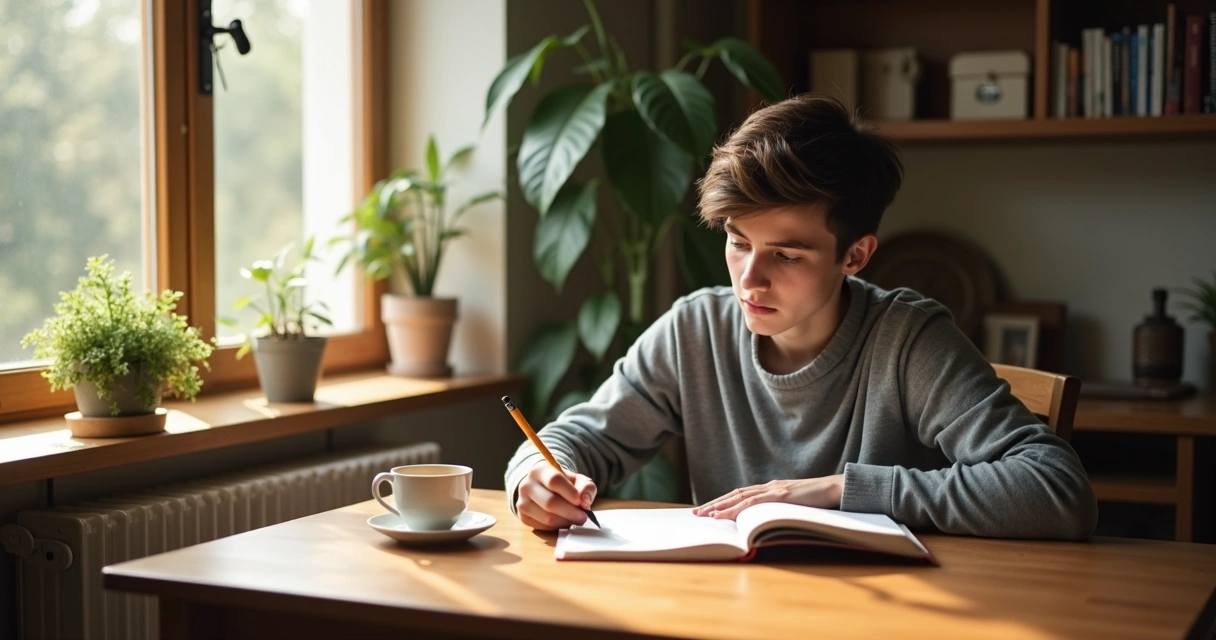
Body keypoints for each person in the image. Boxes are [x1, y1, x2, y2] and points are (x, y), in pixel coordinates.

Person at [503, 93, 1098, 540]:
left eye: (786, 254)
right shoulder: (697, 329)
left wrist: (842, 490)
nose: (749, 278)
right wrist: (534, 475)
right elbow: (575, 438)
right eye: (738, 241)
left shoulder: (907, 340)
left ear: (856, 255)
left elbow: (1056, 489)